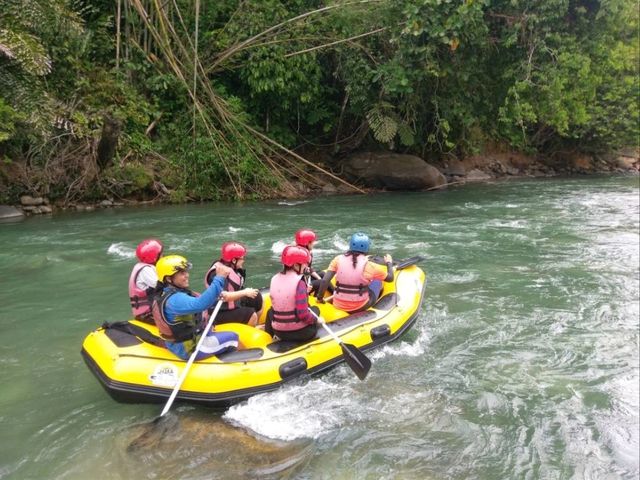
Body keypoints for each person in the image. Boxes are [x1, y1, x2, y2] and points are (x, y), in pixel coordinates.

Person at [151, 254, 238, 360]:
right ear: (169, 279)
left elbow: (199, 300)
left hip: (184, 340)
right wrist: (219, 278)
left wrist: (216, 294)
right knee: (233, 337)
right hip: (190, 348)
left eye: (186, 271)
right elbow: (200, 304)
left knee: (213, 331)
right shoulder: (174, 299)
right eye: (182, 273)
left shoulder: (165, 292)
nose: (187, 275)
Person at [316, 232, 394, 313]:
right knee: (377, 280)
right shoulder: (370, 266)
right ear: (367, 248)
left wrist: (320, 298)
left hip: (338, 304)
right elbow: (390, 278)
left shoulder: (338, 259)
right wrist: (389, 263)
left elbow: (325, 280)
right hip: (360, 306)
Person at [266, 245, 318, 342]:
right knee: (315, 310)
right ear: (296, 265)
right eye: (304, 264)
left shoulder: (274, 279)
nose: (306, 266)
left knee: (270, 311)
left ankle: (271, 337)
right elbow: (303, 315)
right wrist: (316, 320)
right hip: (300, 333)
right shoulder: (300, 283)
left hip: (278, 331)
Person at [204, 242, 262, 327]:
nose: (243, 260)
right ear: (234, 260)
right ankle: (250, 331)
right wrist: (245, 292)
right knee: (251, 314)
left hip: (230, 305)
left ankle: (255, 325)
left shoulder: (234, 268)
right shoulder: (217, 273)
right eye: (242, 258)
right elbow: (223, 296)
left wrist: (246, 293)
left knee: (256, 296)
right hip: (218, 312)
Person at [129, 238, 163, 322]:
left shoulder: (141, 266)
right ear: (154, 257)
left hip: (149, 312)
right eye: (161, 254)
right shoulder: (145, 270)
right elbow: (161, 285)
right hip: (147, 314)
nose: (163, 256)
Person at [294, 228, 332, 295]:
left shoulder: (305, 252)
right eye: (312, 242)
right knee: (322, 282)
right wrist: (319, 280)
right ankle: (318, 297)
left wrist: (318, 277)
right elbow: (304, 272)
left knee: (323, 274)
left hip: (303, 278)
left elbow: (308, 269)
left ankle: (334, 292)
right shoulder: (303, 256)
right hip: (300, 284)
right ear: (307, 243)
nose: (314, 244)